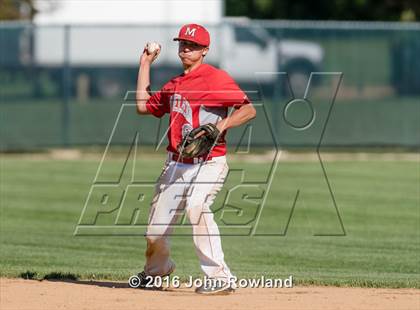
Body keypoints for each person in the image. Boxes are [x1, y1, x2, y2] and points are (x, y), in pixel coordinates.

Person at [136, 23, 256, 295]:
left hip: (209, 161)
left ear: (205, 50)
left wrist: (221, 126)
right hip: (176, 165)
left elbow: (248, 110)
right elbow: (144, 106)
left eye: (192, 46)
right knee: (155, 233)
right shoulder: (174, 84)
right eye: (182, 44)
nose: (185, 49)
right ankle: (157, 272)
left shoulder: (216, 79)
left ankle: (220, 276)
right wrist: (145, 63)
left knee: (197, 206)